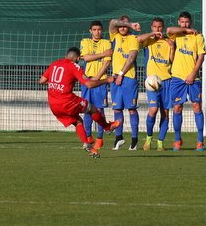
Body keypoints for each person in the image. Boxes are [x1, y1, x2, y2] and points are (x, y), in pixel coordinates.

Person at [39, 47, 120, 158]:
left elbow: (42, 80)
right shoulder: (74, 66)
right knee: (92, 109)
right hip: (67, 101)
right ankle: (106, 127)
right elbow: (89, 85)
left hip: (53, 104)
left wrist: (58, 84)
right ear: (77, 58)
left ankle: (88, 145)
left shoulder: (54, 64)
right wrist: (107, 80)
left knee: (78, 121)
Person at [166, 12, 206, 151]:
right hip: (177, 77)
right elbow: (168, 30)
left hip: (193, 78)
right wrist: (185, 30)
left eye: (187, 22)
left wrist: (193, 74)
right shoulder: (176, 34)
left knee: (197, 107)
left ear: (191, 22)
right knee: (177, 108)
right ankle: (177, 140)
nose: (185, 24)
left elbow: (201, 57)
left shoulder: (198, 36)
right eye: (182, 22)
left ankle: (200, 141)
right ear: (179, 22)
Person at [137, 17, 174, 151]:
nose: (157, 29)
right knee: (153, 110)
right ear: (152, 28)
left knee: (165, 113)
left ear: (163, 28)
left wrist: (172, 48)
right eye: (155, 27)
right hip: (152, 82)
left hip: (166, 81)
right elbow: (138, 39)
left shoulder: (168, 42)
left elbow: (171, 60)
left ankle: (160, 142)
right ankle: (148, 138)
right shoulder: (149, 41)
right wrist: (152, 35)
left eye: (159, 27)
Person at [108, 15, 141, 150]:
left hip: (128, 78)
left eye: (126, 25)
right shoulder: (114, 36)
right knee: (117, 108)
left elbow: (131, 58)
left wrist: (121, 74)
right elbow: (112, 22)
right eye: (121, 25)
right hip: (116, 78)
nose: (123, 27)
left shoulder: (133, 38)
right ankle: (119, 137)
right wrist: (129, 24)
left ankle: (134, 140)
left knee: (131, 109)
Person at [79, 20, 113, 150]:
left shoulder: (106, 42)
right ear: (90, 31)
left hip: (100, 81)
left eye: (99, 30)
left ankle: (100, 138)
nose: (97, 32)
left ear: (102, 31)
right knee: (87, 110)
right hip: (87, 81)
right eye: (94, 30)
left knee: (99, 110)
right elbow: (86, 58)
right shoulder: (85, 42)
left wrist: (97, 79)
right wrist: (103, 53)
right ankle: (88, 137)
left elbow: (106, 63)